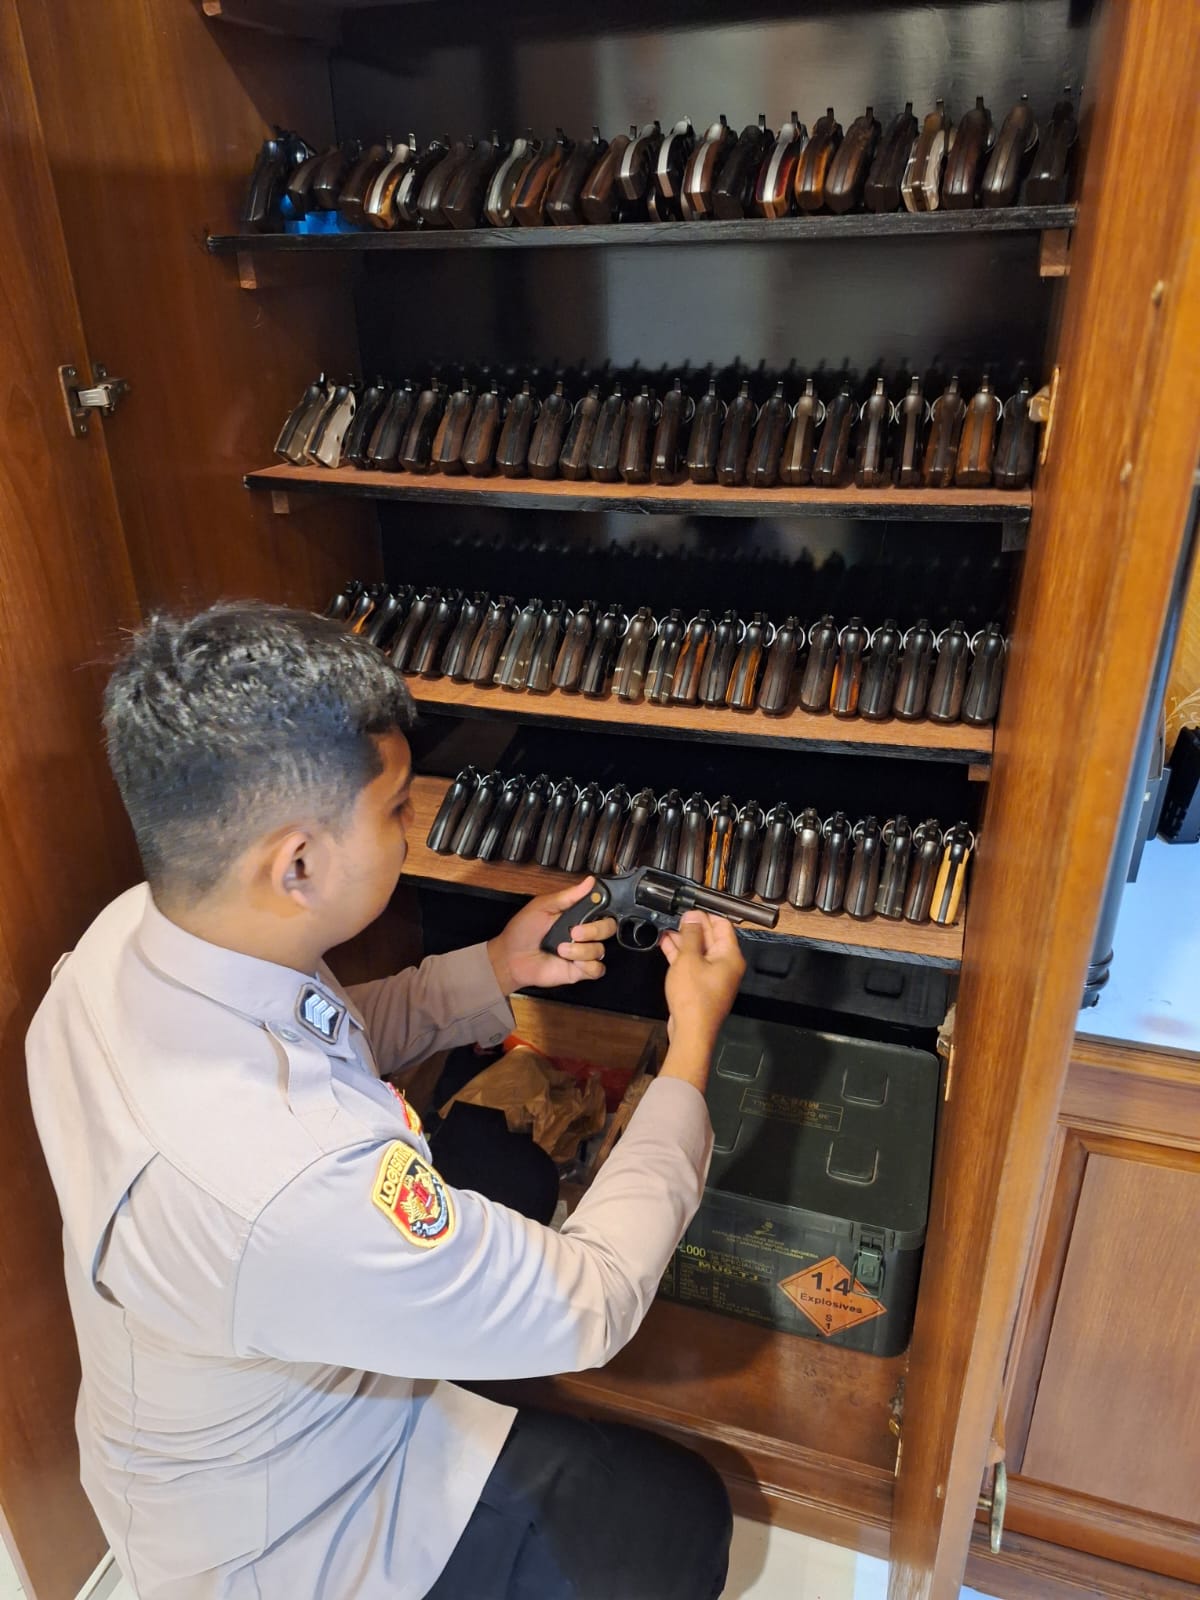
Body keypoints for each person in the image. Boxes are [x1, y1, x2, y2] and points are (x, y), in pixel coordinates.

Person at [26, 603, 745, 1600]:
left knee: (506, 1170)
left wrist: (495, 967)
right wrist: (691, 1046)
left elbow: (316, 1031)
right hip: (298, 1531)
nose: (415, 827)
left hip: (217, 1409)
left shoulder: (126, 939)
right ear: (297, 863)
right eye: (398, 808)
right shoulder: (292, 1187)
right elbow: (597, 1300)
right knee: (676, 1521)